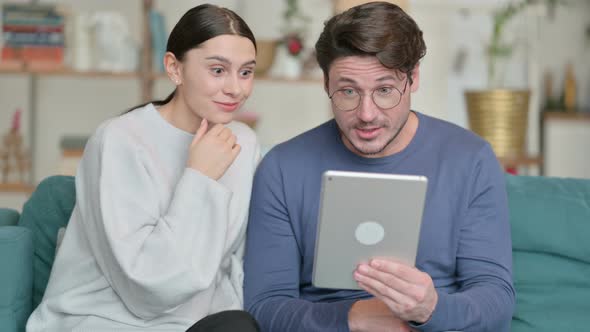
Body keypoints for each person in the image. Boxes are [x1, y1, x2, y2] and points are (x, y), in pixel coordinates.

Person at [243, 2, 515, 332]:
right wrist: (352, 317)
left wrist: (430, 308)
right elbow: (264, 307)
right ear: (325, 83)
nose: (367, 113)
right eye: (347, 91)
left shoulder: (470, 159)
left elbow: (496, 301)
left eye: (384, 90)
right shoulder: (282, 168)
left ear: (413, 78)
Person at [27, 4, 261, 332]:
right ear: (174, 68)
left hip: (202, 323)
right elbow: (147, 287)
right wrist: (199, 177)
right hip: (106, 322)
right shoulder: (120, 140)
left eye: (246, 72)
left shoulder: (243, 142)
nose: (236, 89)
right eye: (218, 70)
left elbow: (236, 264)